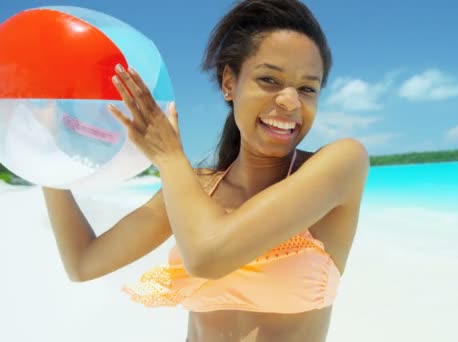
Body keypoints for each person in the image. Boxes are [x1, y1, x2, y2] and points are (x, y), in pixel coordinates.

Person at [42, 0, 369, 341]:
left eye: (307, 88)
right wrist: (46, 158)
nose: (290, 101)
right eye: (269, 79)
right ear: (229, 82)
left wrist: (169, 156)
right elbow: (83, 263)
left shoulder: (341, 164)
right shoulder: (195, 189)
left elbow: (208, 257)